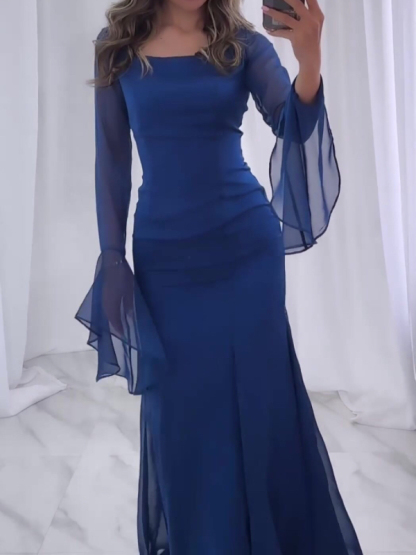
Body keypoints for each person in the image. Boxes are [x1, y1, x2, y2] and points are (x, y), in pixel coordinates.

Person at [75, 0, 363, 553]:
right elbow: (111, 159)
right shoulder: (116, 47)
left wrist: (310, 63)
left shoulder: (243, 44)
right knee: (181, 417)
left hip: (246, 253)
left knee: (260, 404)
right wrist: (112, 259)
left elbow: (291, 122)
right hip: (166, 262)